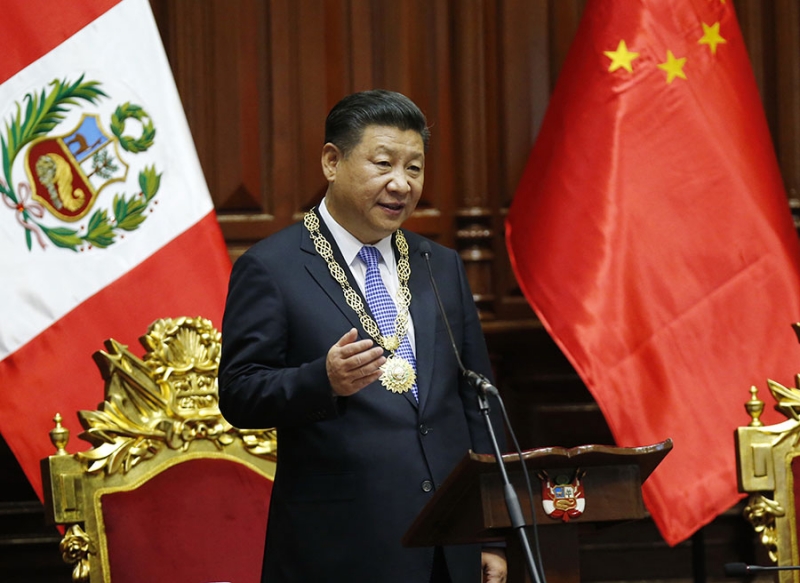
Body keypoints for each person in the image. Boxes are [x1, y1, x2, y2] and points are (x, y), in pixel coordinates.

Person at [218, 89, 508, 583]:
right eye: (383, 163)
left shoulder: (438, 265)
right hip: (341, 547)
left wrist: (492, 535)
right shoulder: (273, 267)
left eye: (414, 168)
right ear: (332, 161)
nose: (401, 184)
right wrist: (322, 380)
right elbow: (240, 393)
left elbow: (477, 402)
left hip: (448, 545)